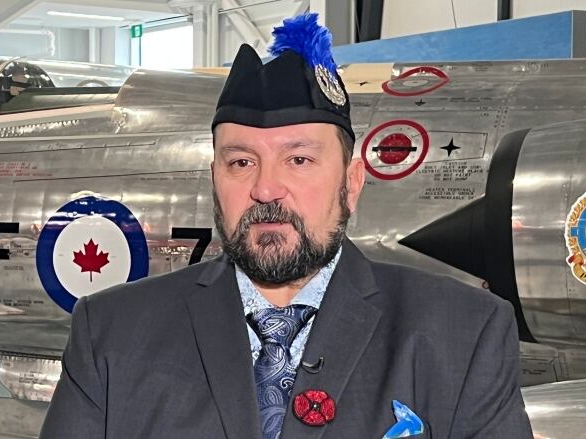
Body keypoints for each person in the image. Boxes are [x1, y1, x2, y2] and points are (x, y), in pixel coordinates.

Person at [40, 13, 533, 439]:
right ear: (214, 180)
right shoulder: (111, 334)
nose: (266, 188)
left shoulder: (461, 333)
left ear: (353, 181)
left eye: (298, 159)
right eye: (240, 162)